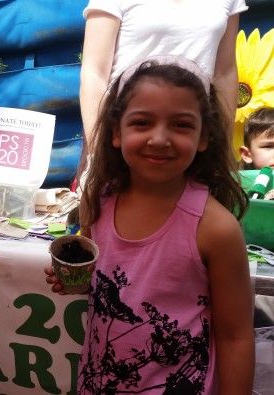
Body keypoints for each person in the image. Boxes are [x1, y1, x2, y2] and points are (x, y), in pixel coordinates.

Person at [46, 57, 254, 393]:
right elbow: (112, 286)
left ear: (204, 138)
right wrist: (75, 282)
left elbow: (236, 337)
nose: (159, 138)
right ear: (116, 133)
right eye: (142, 122)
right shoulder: (98, 201)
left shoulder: (215, 229)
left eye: (182, 125)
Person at [79, 0, 248, 147]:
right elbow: (94, 74)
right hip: (128, 129)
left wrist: (224, 149)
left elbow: (225, 73)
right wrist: (97, 149)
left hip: (189, 130)